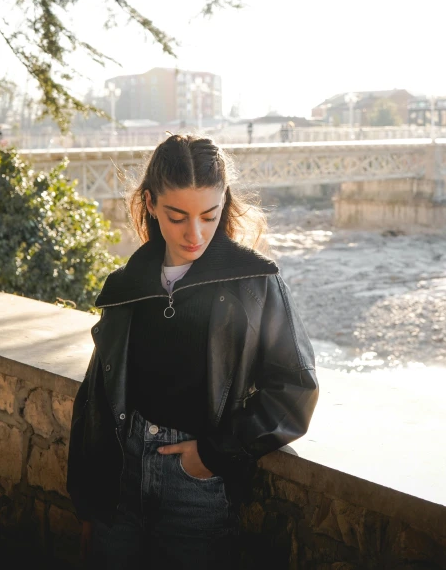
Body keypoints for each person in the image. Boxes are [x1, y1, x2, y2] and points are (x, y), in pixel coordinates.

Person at [67, 134, 318, 569]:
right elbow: (95, 398)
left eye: (209, 215)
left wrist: (212, 455)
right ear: (150, 202)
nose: (195, 233)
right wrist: (89, 505)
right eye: (177, 216)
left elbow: (295, 388)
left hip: (195, 487)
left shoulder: (255, 283)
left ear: (224, 203)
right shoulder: (124, 286)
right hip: (119, 479)